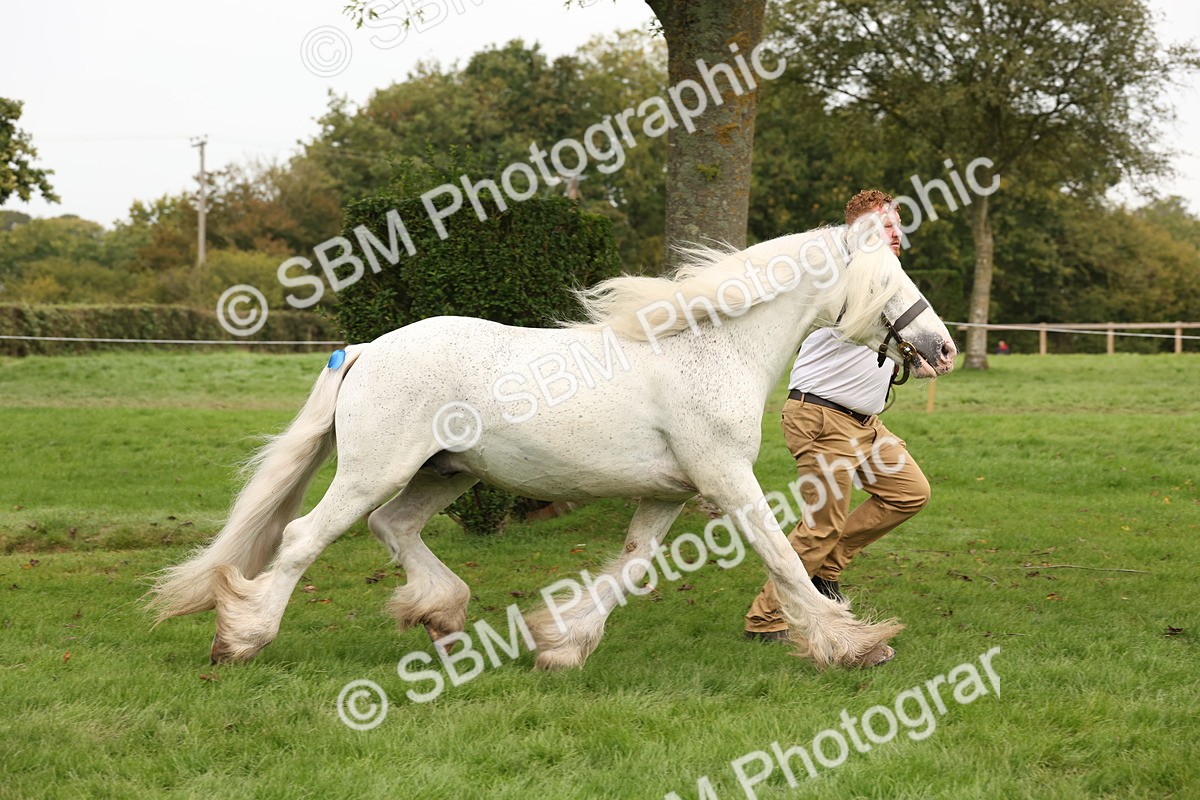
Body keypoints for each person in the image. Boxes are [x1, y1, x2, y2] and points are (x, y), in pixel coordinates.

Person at [742, 189, 932, 663]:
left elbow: (891, 339)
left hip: (864, 424)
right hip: (823, 417)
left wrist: (917, 356)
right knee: (821, 524)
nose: (892, 233)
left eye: (894, 224)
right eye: (880, 226)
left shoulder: (888, 277)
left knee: (908, 492)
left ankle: (826, 571)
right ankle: (765, 619)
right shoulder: (842, 274)